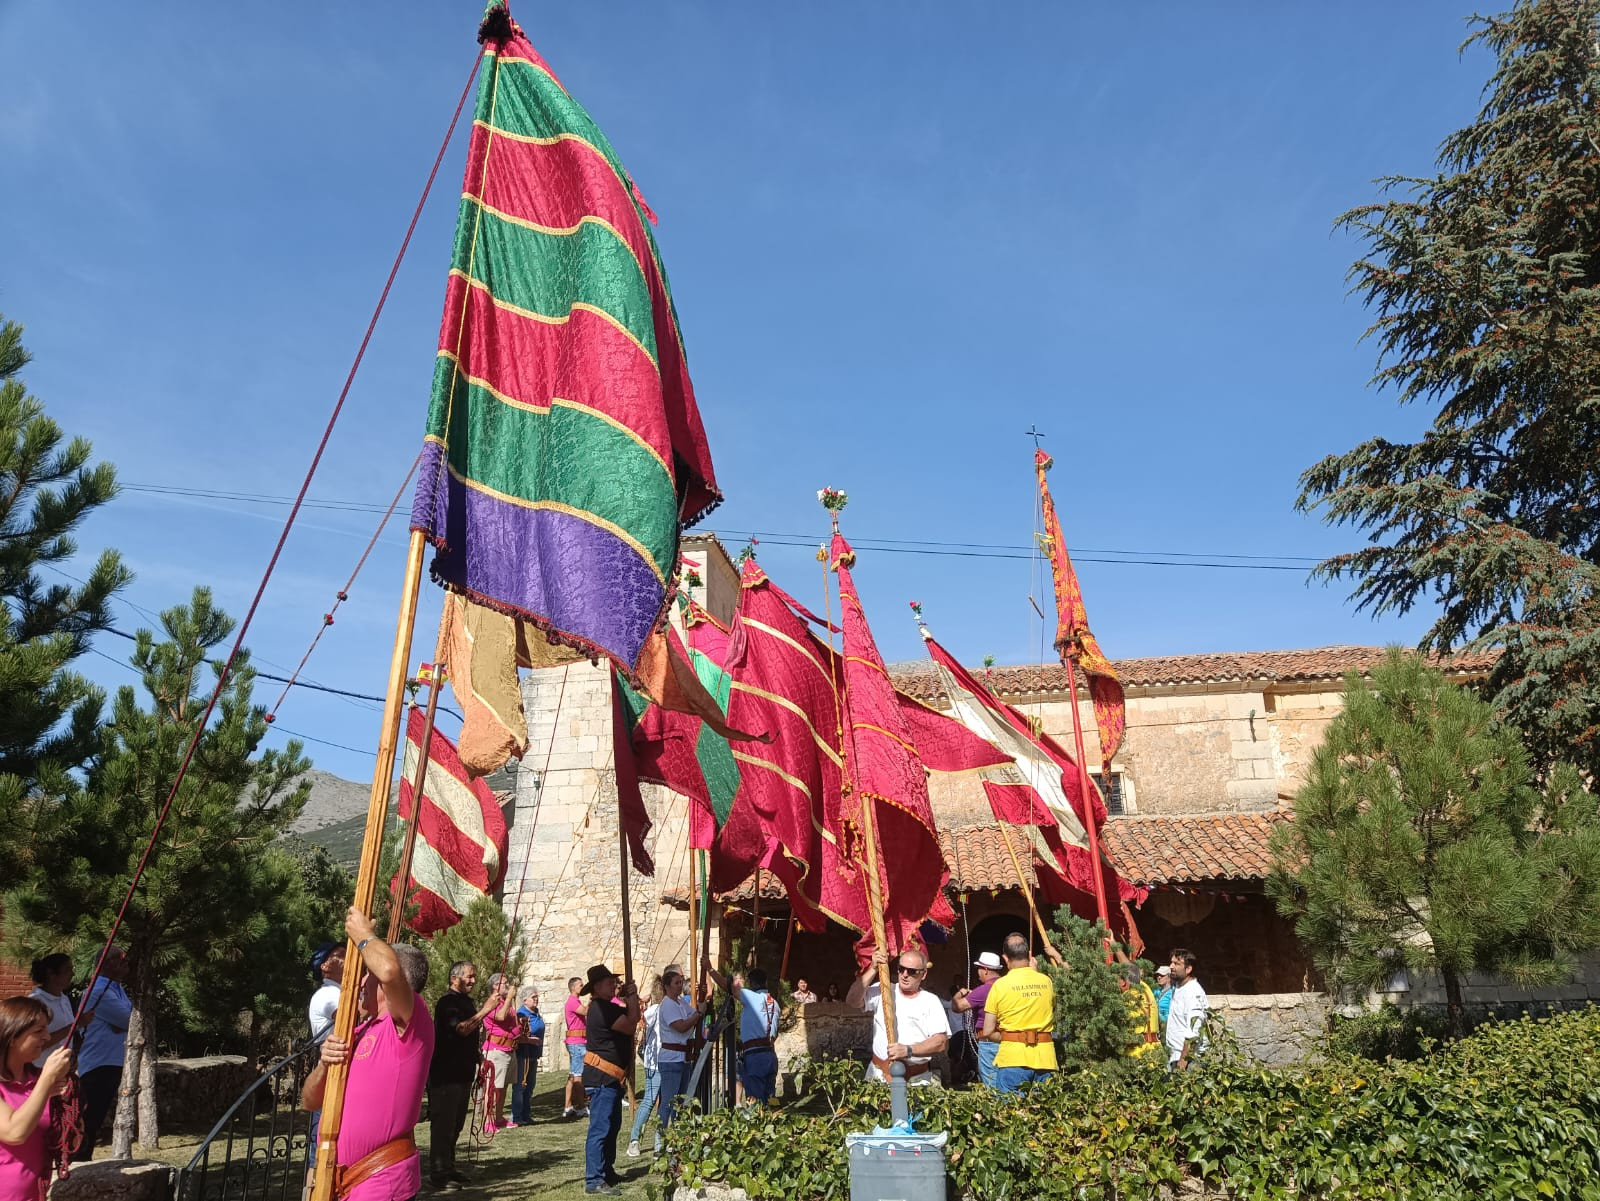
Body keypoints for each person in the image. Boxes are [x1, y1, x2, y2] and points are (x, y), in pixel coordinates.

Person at [300, 908, 433, 1201]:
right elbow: (309, 1101)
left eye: (366, 976)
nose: (359, 983)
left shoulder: (410, 1021)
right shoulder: (358, 1030)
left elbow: (389, 970)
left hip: (380, 1179)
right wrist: (325, 1064)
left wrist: (363, 936)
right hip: (337, 1181)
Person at [426, 961, 497, 1189]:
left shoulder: (466, 1002)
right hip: (446, 1075)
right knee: (443, 1126)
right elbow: (461, 1029)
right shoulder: (448, 1003)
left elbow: (466, 1037)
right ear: (455, 977)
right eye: (469, 976)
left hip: (464, 1072)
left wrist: (478, 1056)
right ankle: (438, 1173)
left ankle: (449, 1166)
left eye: (474, 977)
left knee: (456, 1124)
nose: (473, 981)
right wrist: (486, 1010)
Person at [0, 996, 75, 1201]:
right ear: (12, 1036)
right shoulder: (43, 1082)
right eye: (38, 1031)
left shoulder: (37, 1080)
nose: (47, 1037)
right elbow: (15, 1133)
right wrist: (47, 1081)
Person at [847, 947, 949, 1086]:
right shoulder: (884, 990)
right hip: (880, 1076)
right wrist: (873, 968)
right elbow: (852, 1001)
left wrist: (908, 1050)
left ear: (923, 974)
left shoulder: (930, 1001)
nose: (905, 974)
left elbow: (940, 1042)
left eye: (912, 971)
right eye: (901, 969)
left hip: (916, 1081)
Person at [578, 964, 639, 1196]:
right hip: (602, 1077)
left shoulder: (606, 1006)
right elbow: (631, 1022)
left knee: (612, 1127)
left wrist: (627, 997)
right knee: (601, 1129)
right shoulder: (602, 1009)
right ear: (597, 987)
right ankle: (594, 1179)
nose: (614, 984)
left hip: (609, 1078)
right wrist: (631, 996)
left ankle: (606, 1170)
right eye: (609, 982)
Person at [72, 946, 130, 1161]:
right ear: (106, 963)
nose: (126, 962)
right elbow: (129, 1020)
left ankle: (82, 1160)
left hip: (111, 1061)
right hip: (98, 1064)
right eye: (120, 959)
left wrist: (124, 1024)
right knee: (88, 1119)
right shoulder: (98, 991)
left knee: (95, 1120)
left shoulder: (116, 988)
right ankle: (76, 1163)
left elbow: (130, 1020)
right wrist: (124, 1024)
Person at [982, 934, 1056, 1095]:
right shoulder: (1046, 981)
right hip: (1045, 1058)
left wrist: (1009, 1037)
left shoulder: (999, 986)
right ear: (1029, 955)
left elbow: (987, 1031)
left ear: (1005, 958)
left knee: (1011, 1115)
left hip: (1012, 1058)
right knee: (1045, 1115)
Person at [703, 959, 780, 1105]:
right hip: (770, 1054)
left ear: (753, 984)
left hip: (755, 1055)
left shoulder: (752, 998)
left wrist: (710, 970)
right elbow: (774, 1034)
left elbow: (728, 986)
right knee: (770, 1100)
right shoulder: (775, 1003)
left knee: (755, 1102)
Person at [654, 968, 702, 1135]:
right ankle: (660, 1139)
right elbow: (681, 1026)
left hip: (682, 1057)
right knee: (668, 1100)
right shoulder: (667, 1005)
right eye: (676, 983)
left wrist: (698, 1012)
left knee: (681, 1100)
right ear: (667, 986)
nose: (680, 986)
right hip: (671, 1058)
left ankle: (677, 1136)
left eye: (681, 982)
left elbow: (693, 1015)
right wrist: (698, 1014)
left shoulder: (680, 1002)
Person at [953, 951, 1004, 1089]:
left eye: (979, 969)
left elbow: (957, 1007)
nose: (978, 972)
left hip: (989, 1042)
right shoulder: (1007, 986)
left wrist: (960, 994)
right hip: (1009, 1040)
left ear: (986, 970)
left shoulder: (982, 990)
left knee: (991, 1083)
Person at [625, 977, 663, 1159]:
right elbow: (642, 1020)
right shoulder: (655, 1010)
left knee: (663, 1103)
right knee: (649, 1100)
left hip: (667, 1061)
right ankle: (635, 1140)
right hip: (655, 1061)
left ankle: (660, 1143)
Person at [479, 975, 517, 1133]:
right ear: (495, 986)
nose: (507, 985)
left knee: (504, 1086)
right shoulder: (492, 1002)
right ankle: (488, 1121)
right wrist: (509, 998)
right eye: (504, 983)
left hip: (509, 1049)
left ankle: (499, 1118)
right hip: (496, 1050)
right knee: (493, 1087)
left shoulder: (504, 1002)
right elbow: (500, 1017)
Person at [25, 957, 74, 1070]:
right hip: (40, 1068)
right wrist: (74, 1026)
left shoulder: (64, 999)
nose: (72, 974)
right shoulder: (36, 1001)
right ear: (51, 974)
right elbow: (35, 1042)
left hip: (61, 1067)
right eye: (67, 970)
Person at [1166, 949, 1209, 1072]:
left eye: (1176, 964)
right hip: (1175, 1056)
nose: (1171, 966)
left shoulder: (1193, 993)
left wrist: (1182, 1062)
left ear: (1188, 969)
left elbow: (1193, 1032)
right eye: (1171, 962)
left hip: (1189, 1061)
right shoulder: (1178, 987)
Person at [510, 988, 545, 1127]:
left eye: (537, 996)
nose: (536, 999)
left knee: (530, 1087)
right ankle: (517, 1116)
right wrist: (531, 1040)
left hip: (533, 1055)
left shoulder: (536, 1013)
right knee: (520, 1086)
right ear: (525, 1000)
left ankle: (526, 1114)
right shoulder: (521, 1014)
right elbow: (518, 1037)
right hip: (523, 1055)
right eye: (533, 997)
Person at [1120, 965, 1162, 1059]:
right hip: (1156, 1050)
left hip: (1137, 1053)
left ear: (1123, 982)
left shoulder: (1126, 999)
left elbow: (1125, 1033)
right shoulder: (1146, 989)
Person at [562, 976, 588, 1119]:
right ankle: (580, 1106)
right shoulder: (572, 1002)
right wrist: (592, 1000)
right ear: (573, 987)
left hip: (579, 1041)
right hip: (576, 1042)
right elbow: (584, 1012)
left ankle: (568, 1106)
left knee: (573, 1075)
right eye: (580, 985)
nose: (582, 987)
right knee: (578, 1075)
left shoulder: (576, 1001)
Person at [309, 943, 344, 1040]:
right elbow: (355, 1018)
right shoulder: (326, 993)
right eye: (341, 955)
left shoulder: (340, 990)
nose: (348, 959)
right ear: (325, 967)